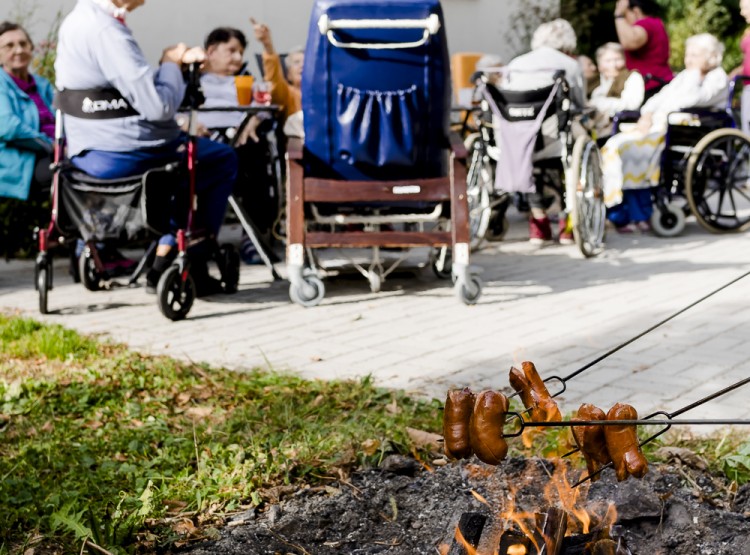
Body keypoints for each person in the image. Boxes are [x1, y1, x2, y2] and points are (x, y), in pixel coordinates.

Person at [55, 0, 238, 295]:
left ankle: (166, 247)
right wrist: (170, 62)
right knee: (220, 159)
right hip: (127, 152)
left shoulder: (78, 21)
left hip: (85, 152)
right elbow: (159, 106)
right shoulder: (107, 31)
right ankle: (191, 257)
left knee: (184, 168)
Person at [601, 33, 727, 232]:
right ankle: (622, 211)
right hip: (661, 127)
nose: (689, 60)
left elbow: (692, 100)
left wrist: (695, 74)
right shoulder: (686, 76)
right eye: (688, 55)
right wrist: (648, 113)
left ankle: (632, 213)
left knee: (627, 150)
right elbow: (659, 97)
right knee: (616, 146)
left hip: (685, 131)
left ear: (710, 56)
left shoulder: (716, 77)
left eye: (695, 55)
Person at [198, 25, 279, 264]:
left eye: (241, 52)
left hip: (241, 140)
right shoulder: (193, 80)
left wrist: (254, 119)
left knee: (256, 151)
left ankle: (252, 237)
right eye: (231, 50)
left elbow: (264, 108)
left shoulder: (246, 81)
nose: (237, 57)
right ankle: (199, 237)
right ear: (211, 51)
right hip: (204, 142)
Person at [503, 19, 585, 244]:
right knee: (584, 142)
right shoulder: (569, 64)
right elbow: (579, 103)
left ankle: (538, 223)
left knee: (534, 162)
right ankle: (568, 222)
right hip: (553, 137)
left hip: (517, 138)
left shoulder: (516, 63)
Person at [0, 21, 54, 202]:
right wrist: (51, 145)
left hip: (55, 153)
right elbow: (8, 127)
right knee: (71, 174)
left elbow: (63, 118)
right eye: (9, 45)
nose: (18, 50)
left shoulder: (41, 84)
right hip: (20, 162)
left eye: (23, 44)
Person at [613, 0, 672, 99]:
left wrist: (619, 16)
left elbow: (629, 42)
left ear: (636, 11)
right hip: (660, 82)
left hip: (652, 87)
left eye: (625, 14)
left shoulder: (646, 24)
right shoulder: (656, 23)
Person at [250, 17, 302, 126]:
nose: (302, 65)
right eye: (297, 62)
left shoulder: (325, 91)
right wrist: (267, 45)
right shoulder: (288, 93)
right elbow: (274, 80)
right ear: (288, 74)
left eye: (307, 62)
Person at [587, 42, 645, 138]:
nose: (613, 65)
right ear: (599, 64)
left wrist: (598, 103)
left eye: (617, 59)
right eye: (608, 61)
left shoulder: (632, 77)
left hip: (619, 128)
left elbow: (632, 104)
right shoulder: (594, 81)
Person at [729, 0, 750, 135]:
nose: (742, 12)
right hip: (747, 84)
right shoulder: (748, 30)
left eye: (746, 8)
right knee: (746, 127)